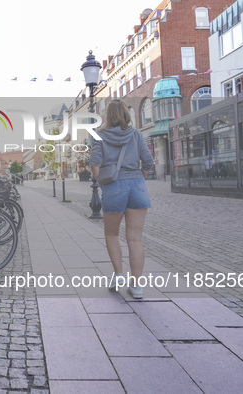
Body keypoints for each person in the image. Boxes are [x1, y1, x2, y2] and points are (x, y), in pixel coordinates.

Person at [90, 100, 154, 299]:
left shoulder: (99, 136)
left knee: (112, 235)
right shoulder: (136, 134)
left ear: (108, 116)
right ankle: (136, 287)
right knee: (135, 238)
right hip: (137, 186)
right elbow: (149, 161)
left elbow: (94, 163)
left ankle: (118, 275)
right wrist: (140, 176)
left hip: (114, 187)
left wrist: (101, 182)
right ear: (126, 114)